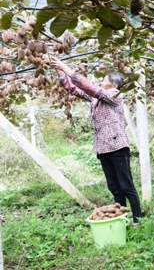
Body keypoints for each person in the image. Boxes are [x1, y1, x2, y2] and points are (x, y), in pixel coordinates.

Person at [48, 56, 143, 224]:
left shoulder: (115, 95)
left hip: (117, 147)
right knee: (114, 186)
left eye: (104, 80)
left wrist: (66, 66)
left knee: (126, 185)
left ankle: (138, 219)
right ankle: (121, 218)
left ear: (113, 85)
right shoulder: (98, 98)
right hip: (103, 147)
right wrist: (59, 68)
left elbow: (93, 90)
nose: (101, 82)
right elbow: (74, 89)